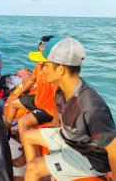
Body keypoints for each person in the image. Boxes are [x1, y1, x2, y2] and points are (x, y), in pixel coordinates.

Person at [22, 37, 116, 181]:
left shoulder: (91, 107)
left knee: (33, 168)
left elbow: (113, 151)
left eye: (45, 65)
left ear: (60, 69)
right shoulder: (61, 90)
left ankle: (35, 174)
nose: (41, 69)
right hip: (69, 138)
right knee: (28, 136)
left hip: (88, 156)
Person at [6, 36, 58, 168]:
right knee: (12, 102)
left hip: (48, 108)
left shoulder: (53, 72)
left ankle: (25, 158)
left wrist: (56, 120)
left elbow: (60, 98)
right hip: (37, 99)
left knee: (23, 122)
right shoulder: (39, 66)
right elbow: (31, 79)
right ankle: (7, 131)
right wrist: (18, 93)